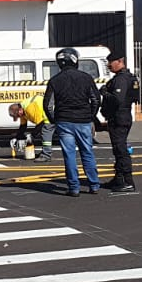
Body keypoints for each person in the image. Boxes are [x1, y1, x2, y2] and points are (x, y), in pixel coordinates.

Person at [43, 47, 102, 197]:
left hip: (64, 121)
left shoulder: (55, 80)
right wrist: (90, 116)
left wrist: (54, 120)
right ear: (75, 60)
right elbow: (96, 99)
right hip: (83, 121)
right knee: (87, 152)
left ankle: (74, 187)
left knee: (69, 155)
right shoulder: (86, 78)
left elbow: (48, 105)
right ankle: (94, 184)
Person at [99, 50, 140, 193]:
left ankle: (128, 181)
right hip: (122, 116)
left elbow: (117, 99)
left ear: (119, 61)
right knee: (118, 149)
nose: (109, 66)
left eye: (111, 63)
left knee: (121, 149)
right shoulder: (129, 78)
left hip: (119, 117)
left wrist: (104, 93)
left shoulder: (121, 79)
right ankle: (119, 178)